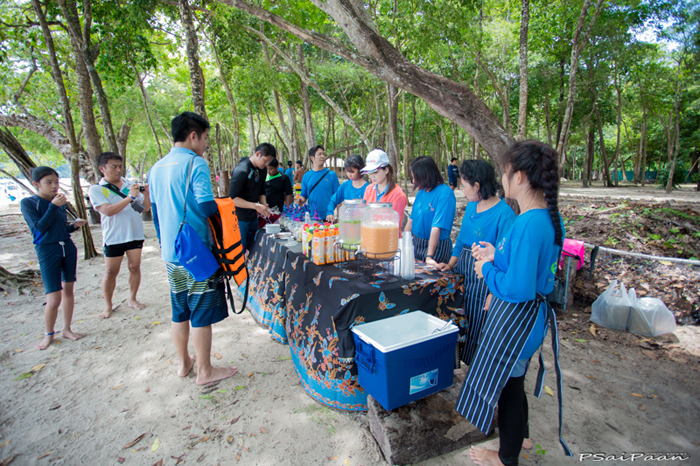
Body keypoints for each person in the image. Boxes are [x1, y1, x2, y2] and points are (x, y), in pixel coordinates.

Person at [456, 140, 571, 466]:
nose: (502, 179)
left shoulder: (526, 223)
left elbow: (517, 288)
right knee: (516, 382)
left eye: (505, 172)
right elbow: (529, 267)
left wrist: (487, 268)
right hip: (533, 317)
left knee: (507, 390)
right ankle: (523, 438)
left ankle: (506, 457)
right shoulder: (547, 216)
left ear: (519, 177)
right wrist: (497, 255)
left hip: (518, 320)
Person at [148, 111, 236, 385]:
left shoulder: (155, 168)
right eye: (206, 137)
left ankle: (184, 363)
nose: (207, 144)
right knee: (200, 312)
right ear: (193, 135)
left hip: (173, 253)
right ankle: (205, 371)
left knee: (180, 309)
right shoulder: (195, 164)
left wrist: (166, 245)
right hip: (197, 252)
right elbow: (207, 206)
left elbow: (154, 212)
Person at [435, 160, 515, 367]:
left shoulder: (504, 213)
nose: (462, 189)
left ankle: (476, 367)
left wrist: (492, 292)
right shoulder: (472, 206)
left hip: (485, 277)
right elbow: (461, 240)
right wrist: (450, 265)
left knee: (478, 323)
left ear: (477, 186)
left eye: (465, 185)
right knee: (458, 315)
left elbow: (505, 257)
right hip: (463, 270)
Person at [20, 166, 87, 350]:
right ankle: (49, 334)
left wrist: (73, 226)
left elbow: (59, 229)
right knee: (53, 298)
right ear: (36, 184)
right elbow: (40, 228)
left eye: (56, 182)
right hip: (47, 251)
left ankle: (67, 328)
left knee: (69, 291)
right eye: (48, 182)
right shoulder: (29, 203)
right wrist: (53, 206)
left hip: (67, 248)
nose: (54, 186)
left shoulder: (59, 204)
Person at [89, 152, 150, 319]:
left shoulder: (129, 184)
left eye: (120, 166)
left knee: (134, 267)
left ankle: (132, 299)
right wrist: (130, 196)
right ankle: (108, 305)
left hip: (135, 234)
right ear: (102, 169)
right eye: (113, 167)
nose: (118, 170)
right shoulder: (97, 189)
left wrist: (146, 195)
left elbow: (144, 209)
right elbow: (108, 211)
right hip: (113, 236)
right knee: (110, 272)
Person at [404, 156, 456, 265]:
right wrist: (404, 244)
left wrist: (429, 256)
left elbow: (436, 227)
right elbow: (410, 221)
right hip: (417, 243)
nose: (413, 181)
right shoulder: (421, 193)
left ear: (425, 176)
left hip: (436, 247)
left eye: (416, 178)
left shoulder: (445, 193)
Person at [228, 143, 276, 250]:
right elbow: (232, 199)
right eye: (265, 160)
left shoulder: (262, 170)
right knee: (241, 252)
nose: (267, 164)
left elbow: (261, 191)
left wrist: (263, 204)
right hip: (239, 219)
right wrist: (255, 206)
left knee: (254, 250)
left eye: (269, 161)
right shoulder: (242, 170)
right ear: (258, 154)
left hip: (253, 218)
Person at [298, 145, 339, 219]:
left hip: (328, 218)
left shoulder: (332, 175)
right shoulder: (306, 176)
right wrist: (301, 200)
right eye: (319, 154)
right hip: (312, 218)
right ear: (312, 158)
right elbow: (303, 195)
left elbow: (338, 197)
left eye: (323, 154)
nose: (323, 156)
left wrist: (339, 218)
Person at [325, 154, 369, 222]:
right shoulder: (345, 185)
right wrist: (330, 212)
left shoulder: (368, 188)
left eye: (352, 172)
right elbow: (333, 200)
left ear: (360, 170)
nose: (349, 174)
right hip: (347, 224)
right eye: (347, 171)